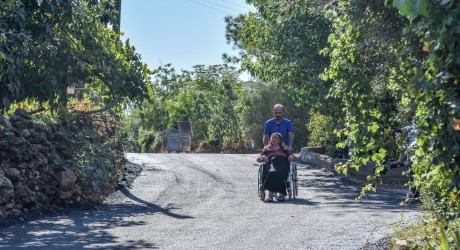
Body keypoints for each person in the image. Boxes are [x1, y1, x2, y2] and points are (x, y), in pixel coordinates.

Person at [257, 132, 296, 202]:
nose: (274, 139)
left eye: (276, 137)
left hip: (282, 164)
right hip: (270, 165)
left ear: (280, 140)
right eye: (272, 137)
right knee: (272, 172)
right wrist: (263, 158)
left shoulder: (285, 148)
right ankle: (271, 195)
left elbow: (292, 156)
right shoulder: (267, 149)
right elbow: (258, 159)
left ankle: (281, 193)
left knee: (279, 171)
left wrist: (290, 157)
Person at [390, 125, 420, 203]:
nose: (398, 142)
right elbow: (402, 150)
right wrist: (399, 161)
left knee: (419, 169)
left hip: (422, 146)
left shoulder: (413, 137)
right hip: (412, 148)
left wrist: (404, 164)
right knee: (411, 173)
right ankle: (416, 196)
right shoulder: (399, 138)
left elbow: (413, 161)